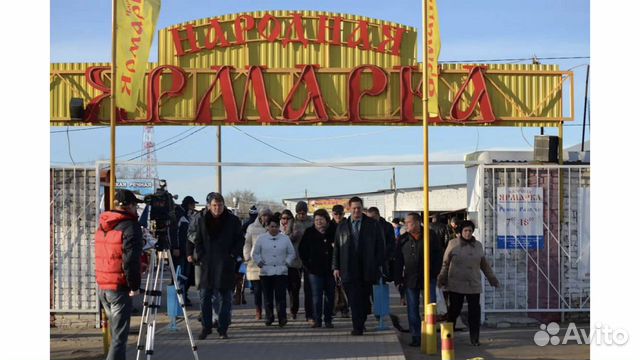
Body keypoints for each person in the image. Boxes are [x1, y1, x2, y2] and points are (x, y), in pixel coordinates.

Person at [188, 192, 244, 340]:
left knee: (226, 298)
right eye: (214, 205)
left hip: (225, 263)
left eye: (219, 205)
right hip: (207, 263)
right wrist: (200, 256)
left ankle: (223, 328)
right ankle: (206, 326)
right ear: (209, 206)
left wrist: (232, 255)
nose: (217, 208)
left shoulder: (232, 220)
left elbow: (239, 240)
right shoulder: (202, 220)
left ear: (223, 205)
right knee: (205, 296)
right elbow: (197, 239)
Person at [95, 189, 144, 360]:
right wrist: (134, 286)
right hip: (119, 287)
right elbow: (130, 260)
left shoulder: (103, 224)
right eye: (135, 205)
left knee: (116, 335)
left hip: (103, 285)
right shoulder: (130, 226)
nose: (136, 209)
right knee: (119, 339)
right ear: (130, 206)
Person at [437, 220, 500, 346]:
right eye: (465, 230)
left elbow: (484, 265)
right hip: (456, 283)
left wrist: (492, 279)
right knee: (454, 311)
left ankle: (474, 339)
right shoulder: (453, 244)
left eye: (470, 231)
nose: (468, 233)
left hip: (473, 284)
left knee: (474, 313)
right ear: (460, 232)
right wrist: (442, 278)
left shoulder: (478, 245)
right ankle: (449, 338)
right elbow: (445, 263)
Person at [332, 196, 385, 336]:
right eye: (354, 208)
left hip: (366, 267)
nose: (356, 211)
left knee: (362, 297)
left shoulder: (372, 224)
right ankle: (359, 324)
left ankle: (358, 325)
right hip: (348, 267)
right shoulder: (342, 226)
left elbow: (381, 246)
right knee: (353, 298)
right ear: (349, 209)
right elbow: (337, 248)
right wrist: (335, 267)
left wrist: (377, 263)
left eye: (359, 208)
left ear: (362, 209)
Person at [394, 212, 443, 347]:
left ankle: (431, 334)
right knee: (412, 308)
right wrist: (398, 279)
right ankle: (416, 336)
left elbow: (439, 255)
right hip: (410, 279)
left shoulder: (430, 236)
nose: (406, 224)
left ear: (416, 223)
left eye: (408, 222)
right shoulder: (403, 239)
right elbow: (398, 261)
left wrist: (435, 273)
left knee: (430, 308)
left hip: (429, 278)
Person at [251, 215, 296, 327]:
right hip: (266, 272)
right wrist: (260, 263)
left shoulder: (285, 238)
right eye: (271, 226)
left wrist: (287, 263)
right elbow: (255, 253)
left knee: (280, 297)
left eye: (276, 226)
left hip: (281, 272)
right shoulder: (261, 238)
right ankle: (269, 317)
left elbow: (291, 253)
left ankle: (282, 318)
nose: (274, 229)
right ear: (267, 227)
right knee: (268, 297)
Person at [299, 209, 336, 328]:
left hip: (331, 270)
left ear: (327, 220)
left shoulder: (334, 231)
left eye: (321, 219)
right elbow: (302, 251)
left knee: (330, 296)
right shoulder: (309, 232)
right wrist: (308, 265)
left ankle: (328, 319)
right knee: (316, 297)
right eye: (316, 220)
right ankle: (317, 319)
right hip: (314, 271)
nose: (318, 222)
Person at [243, 207, 272, 320]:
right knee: (257, 290)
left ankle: (269, 312)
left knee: (267, 290)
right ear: (259, 216)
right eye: (264, 215)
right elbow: (247, 243)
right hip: (254, 263)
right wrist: (247, 256)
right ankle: (258, 310)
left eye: (267, 215)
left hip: (269, 263)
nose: (265, 217)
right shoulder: (251, 227)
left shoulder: (273, 227)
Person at [292, 201, 314, 324]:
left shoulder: (311, 222)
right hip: (295, 258)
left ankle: (309, 314)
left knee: (308, 288)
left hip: (307, 259)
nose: (302, 215)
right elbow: (285, 237)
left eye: (304, 212)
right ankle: (294, 310)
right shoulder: (292, 222)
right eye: (299, 213)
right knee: (295, 288)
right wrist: (293, 236)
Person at [175, 195, 198, 306]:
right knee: (181, 274)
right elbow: (177, 233)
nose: (194, 207)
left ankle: (184, 295)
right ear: (189, 204)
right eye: (193, 204)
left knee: (186, 275)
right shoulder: (180, 216)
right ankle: (180, 298)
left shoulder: (189, 217)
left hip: (187, 251)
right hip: (181, 251)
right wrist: (177, 247)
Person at [281, 209, 302, 319]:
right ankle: (282, 312)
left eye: (288, 218)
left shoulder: (296, 228)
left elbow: (288, 240)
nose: (285, 221)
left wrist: (288, 228)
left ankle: (294, 310)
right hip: (280, 265)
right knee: (282, 290)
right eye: (283, 218)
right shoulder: (276, 229)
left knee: (294, 290)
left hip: (294, 263)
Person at [330, 205, 349, 318]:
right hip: (332, 260)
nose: (338, 216)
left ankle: (345, 309)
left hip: (345, 261)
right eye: (335, 214)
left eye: (340, 214)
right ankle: (333, 308)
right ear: (332, 214)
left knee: (344, 287)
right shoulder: (329, 226)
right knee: (333, 288)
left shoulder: (347, 225)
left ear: (343, 214)